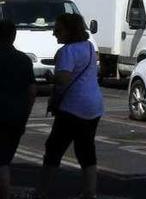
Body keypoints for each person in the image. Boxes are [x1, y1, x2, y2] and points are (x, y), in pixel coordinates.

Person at [36, 13, 103, 199]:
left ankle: (41, 191)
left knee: (53, 149)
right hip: (94, 105)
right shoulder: (88, 47)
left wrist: (50, 78)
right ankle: (90, 192)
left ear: (69, 31)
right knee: (86, 149)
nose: (54, 34)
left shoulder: (67, 52)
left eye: (58, 30)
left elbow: (64, 79)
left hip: (73, 107)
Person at [0, 20, 37, 199]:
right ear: (14, 36)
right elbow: (31, 92)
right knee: (4, 160)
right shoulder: (23, 60)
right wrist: (25, 118)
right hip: (14, 117)